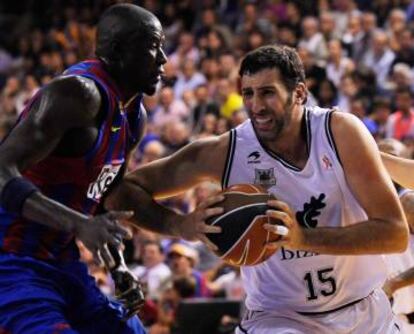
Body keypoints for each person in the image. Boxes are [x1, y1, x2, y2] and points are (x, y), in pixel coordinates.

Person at [108, 45, 408, 333]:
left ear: (300, 93)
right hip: (278, 318)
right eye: (248, 94)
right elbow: (124, 189)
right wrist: (179, 224)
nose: (256, 106)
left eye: (267, 93)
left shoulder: (341, 133)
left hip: (363, 311)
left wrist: (302, 237)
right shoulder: (226, 150)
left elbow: (393, 234)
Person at [0, 3, 167, 334]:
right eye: (152, 46)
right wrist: (80, 225)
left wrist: (117, 266)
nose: (163, 58)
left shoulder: (135, 117)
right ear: (118, 50)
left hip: (64, 265)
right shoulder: (78, 94)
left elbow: (103, 206)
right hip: (11, 262)